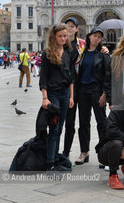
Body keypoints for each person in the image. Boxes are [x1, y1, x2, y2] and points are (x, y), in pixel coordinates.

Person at [39, 23, 75, 171]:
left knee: (60, 128)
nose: (63, 38)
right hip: (52, 94)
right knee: (54, 128)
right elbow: (44, 77)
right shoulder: (47, 53)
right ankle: (50, 163)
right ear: (54, 37)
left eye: (65, 36)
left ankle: (55, 159)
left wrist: (72, 96)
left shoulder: (68, 52)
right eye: (60, 36)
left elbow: (71, 76)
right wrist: (44, 98)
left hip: (65, 93)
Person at [75, 27, 111, 165]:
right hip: (83, 90)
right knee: (83, 123)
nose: (97, 38)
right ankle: (84, 152)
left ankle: (103, 153)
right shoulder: (82, 53)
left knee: (101, 122)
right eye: (94, 36)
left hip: (97, 90)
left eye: (99, 37)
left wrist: (104, 94)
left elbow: (108, 76)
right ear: (89, 37)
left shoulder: (103, 54)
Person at [62, 17, 86, 158]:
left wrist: (104, 49)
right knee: (69, 121)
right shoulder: (61, 43)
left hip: (81, 85)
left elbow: (94, 51)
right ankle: (66, 152)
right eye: (67, 26)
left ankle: (84, 151)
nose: (70, 28)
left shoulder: (83, 44)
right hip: (67, 85)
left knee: (84, 120)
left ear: (77, 29)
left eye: (72, 26)